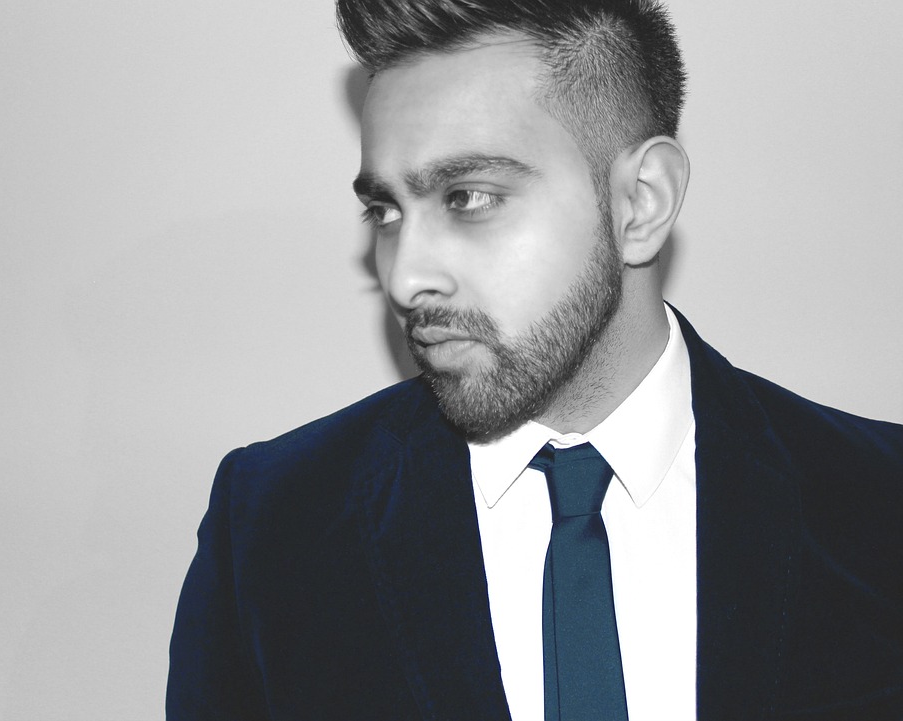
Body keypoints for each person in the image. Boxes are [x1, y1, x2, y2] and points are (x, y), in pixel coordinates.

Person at [166, 0, 903, 719]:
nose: (405, 277)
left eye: (468, 197)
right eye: (385, 211)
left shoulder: (878, 504)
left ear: (641, 203)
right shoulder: (273, 530)